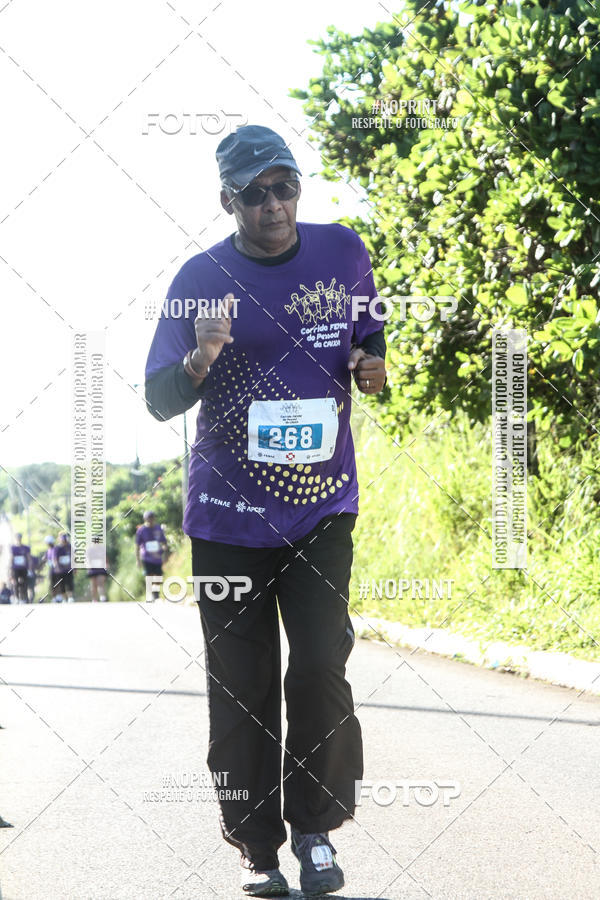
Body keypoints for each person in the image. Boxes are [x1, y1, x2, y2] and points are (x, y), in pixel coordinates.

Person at [144, 124, 386, 897]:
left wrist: (370, 363)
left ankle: (315, 830)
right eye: (256, 193)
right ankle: (258, 850)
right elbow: (156, 398)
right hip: (225, 519)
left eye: (285, 186)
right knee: (243, 691)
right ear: (229, 200)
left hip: (321, 510)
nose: (275, 204)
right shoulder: (198, 277)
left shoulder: (343, 251)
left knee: (320, 667)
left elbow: (367, 334)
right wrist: (200, 357)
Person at [135, 511, 168, 601]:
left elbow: (163, 541)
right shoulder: (141, 530)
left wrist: (165, 551)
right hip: (146, 557)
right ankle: (150, 594)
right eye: (149, 518)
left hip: (157, 557)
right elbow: (137, 545)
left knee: (158, 576)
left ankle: (156, 594)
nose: (151, 520)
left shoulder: (158, 528)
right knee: (149, 575)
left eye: (152, 518)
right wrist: (137, 560)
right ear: (145, 519)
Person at [51, 533, 75, 603]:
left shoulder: (70, 547)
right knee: (62, 584)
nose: (64, 541)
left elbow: (73, 557)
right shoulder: (57, 548)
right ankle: (64, 598)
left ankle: (70, 597)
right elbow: (55, 559)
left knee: (70, 583)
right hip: (60, 570)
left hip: (69, 569)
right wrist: (57, 567)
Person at [10, 534, 30, 603]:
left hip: (23, 568)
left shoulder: (25, 548)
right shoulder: (13, 548)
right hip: (16, 568)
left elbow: (28, 558)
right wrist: (10, 568)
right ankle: (17, 598)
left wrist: (29, 567)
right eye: (17, 538)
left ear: (21, 538)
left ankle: (24, 598)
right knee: (16, 583)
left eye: (19, 538)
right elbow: (11, 558)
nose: (18, 539)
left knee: (24, 583)